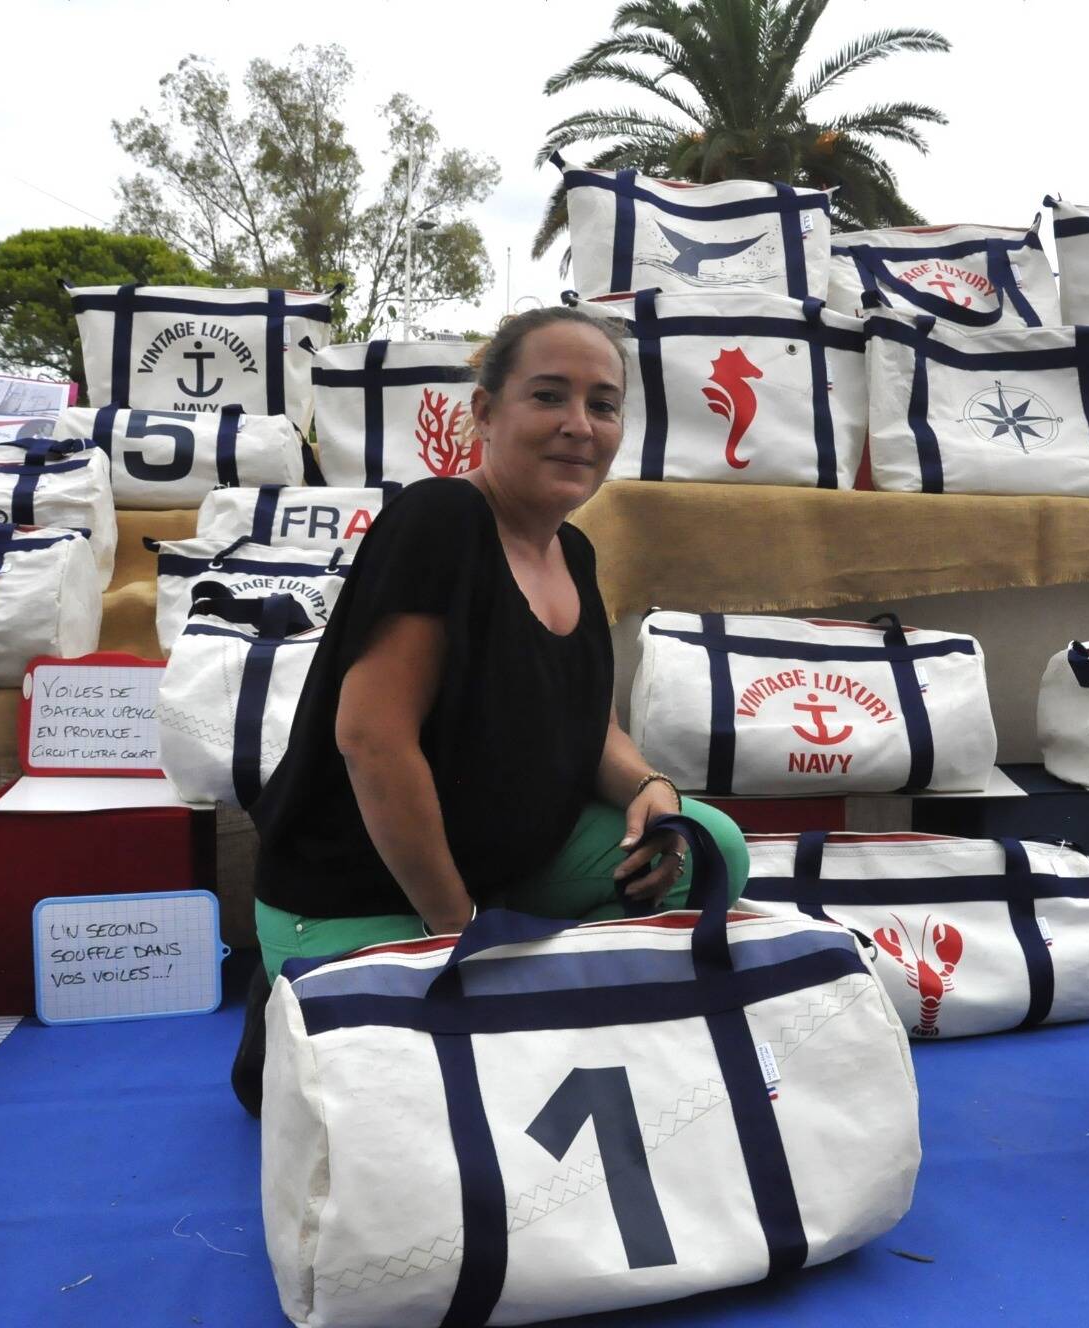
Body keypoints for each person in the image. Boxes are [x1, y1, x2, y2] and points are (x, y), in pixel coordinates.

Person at [234, 307, 750, 1110]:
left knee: (705, 846)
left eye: (603, 405)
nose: (579, 426)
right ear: (484, 412)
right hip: (358, 894)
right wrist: (461, 935)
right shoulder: (441, 521)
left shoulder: (573, 551)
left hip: (500, 873)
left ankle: (540, 995)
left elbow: (587, 724)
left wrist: (652, 787)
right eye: (549, 397)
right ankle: (296, 995)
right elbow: (372, 741)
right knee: (405, 1105)